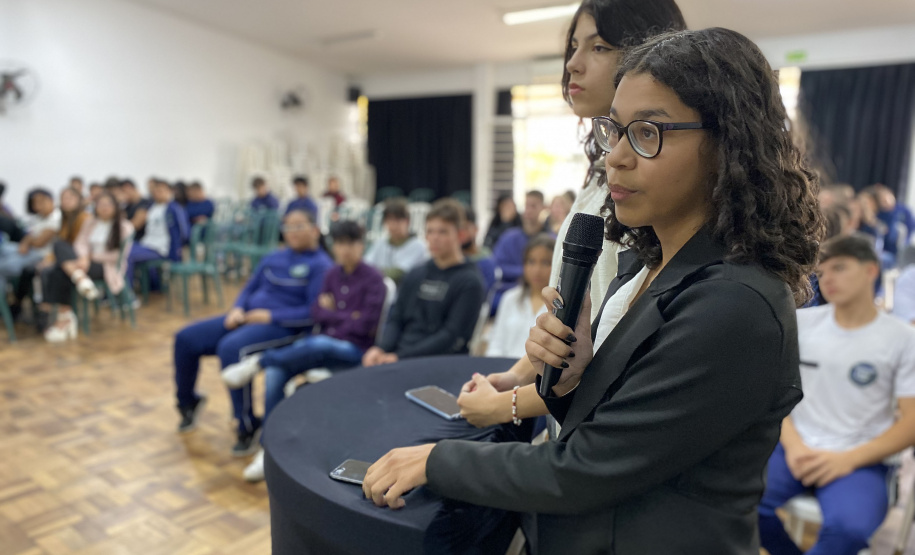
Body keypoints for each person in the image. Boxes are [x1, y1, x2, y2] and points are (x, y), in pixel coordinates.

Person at [362, 28, 823, 555]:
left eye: (648, 132)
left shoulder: (736, 302)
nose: (616, 157)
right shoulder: (647, 265)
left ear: (727, 145)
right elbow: (624, 426)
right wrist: (570, 381)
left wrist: (435, 460)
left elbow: (586, 469)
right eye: (616, 130)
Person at [458, 0, 688, 430]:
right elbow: (572, 322)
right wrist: (516, 377)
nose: (573, 64)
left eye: (599, 47)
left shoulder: (645, 189)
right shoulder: (601, 170)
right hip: (565, 415)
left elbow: (614, 355)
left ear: (649, 53)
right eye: (574, 46)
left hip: (600, 425)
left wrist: (505, 405)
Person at [759, 235, 915, 555]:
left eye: (840, 268)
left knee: (850, 530)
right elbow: (774, 395)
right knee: (739, 505)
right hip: (793, 447)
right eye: (822, 272)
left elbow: (911, 421)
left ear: (871, 271)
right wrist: (794, 445)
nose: (828, 278)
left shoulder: (902, 339)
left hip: (861, 459)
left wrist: (847, 460)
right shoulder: (800, 323)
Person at [221, 220, 386, 482]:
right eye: (340, 243)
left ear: (361, 245)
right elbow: (316, 312)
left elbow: (364, 324)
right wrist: (343, 315)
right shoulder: (332, 275)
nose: (345, 249)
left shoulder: (374, 279)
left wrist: (334, 315)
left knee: (318, 342)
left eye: (351, 243)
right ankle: (267, 449)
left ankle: (259, 362)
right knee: (277, 373)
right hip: (322, 344)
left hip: (354, 350)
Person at [173, 209, 333, 455]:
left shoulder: (321, 266)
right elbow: (249, 288)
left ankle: (246, 425)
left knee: (231, 348)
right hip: (247, 317)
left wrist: (270, 316)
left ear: (315, 230)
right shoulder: (273, 257)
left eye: (299, 226)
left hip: (284, 327)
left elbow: (313, 313)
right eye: (288, 226)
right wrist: (237, 308)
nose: (292, 232)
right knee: (185, 338)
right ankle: (188, 402)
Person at [362, 199, 485, 367]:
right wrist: (381, 349)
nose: (434, 238)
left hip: (439, 363)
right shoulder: (416, 273)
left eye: (443, 232)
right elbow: (396, 317)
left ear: (461, 235)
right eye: (430, 231)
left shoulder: (470, 282)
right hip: (399, 357)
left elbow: (450, 336)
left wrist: (400, 357)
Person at [38, 192, 133, 342]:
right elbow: (80, 243)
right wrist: (83, 257)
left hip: (107, 266)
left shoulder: (124, 226)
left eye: (108, 204)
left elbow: (117, 255)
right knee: (59, 247)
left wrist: (89, 257)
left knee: (59, 269)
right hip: (84, 263)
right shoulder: (91, 223)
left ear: (115, 206)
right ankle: (79, 279)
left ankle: (65, 318)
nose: (104, 208)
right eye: (101, 204)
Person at [485, 235, 553, 358]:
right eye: (531, 262)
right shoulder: (510, 298)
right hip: (504, 366)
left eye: (545, 263)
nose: (537, 270)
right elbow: (496, 343)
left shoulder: (558, 305)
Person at [0, 188, 61, 321]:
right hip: (30, 251)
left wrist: (28, 241)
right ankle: (7, 306)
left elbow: (39, 242)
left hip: (42, 255)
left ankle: (11, 306)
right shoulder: (37, 218)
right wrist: (28, 241)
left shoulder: (56, 218)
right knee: (4, 248)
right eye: (35, 203)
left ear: (51, 201)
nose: (38, 206)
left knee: (5, 266)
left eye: (41, 202)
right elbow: (29, 236)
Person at [491, 190, 552, 311]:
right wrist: (524, 272)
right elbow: (496, 266)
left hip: (543, 295)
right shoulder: (509, 237)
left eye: (533, 206)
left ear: (543, 208)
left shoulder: (551, 241)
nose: (528, 210)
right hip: (509, 291)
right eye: (526, 205)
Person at [125, 180, 188, 288]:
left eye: (161, 191)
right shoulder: (151, 207)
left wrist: (177, 252)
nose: (158, 194)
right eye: (155, 192)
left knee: (128, 254)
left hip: (161, 248)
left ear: (169, 192)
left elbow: (184, 232)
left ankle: (127, 292)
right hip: (147, 244)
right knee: (122, 249)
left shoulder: (174, 208)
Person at [363, 197, 428, 284]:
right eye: (389, 220)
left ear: (407, 221)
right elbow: (365, 265)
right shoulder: (380, 243)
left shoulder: (418, 245)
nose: (393, 225)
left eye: (397, 220)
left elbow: (400, 273)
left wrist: (373, 273)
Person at [870, 184, 915, 268]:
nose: (886, 201)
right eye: (882, 200)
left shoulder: (904, 210)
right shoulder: (880, 214)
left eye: (886, 197)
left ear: (891, 195)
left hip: (903, 249)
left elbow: (911, 228)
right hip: (885, 251)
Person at [462, 206, 497, 295]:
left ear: (475, 229)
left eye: (465, 228)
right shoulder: (448, 259)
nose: (461, 233)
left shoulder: (486, 260)